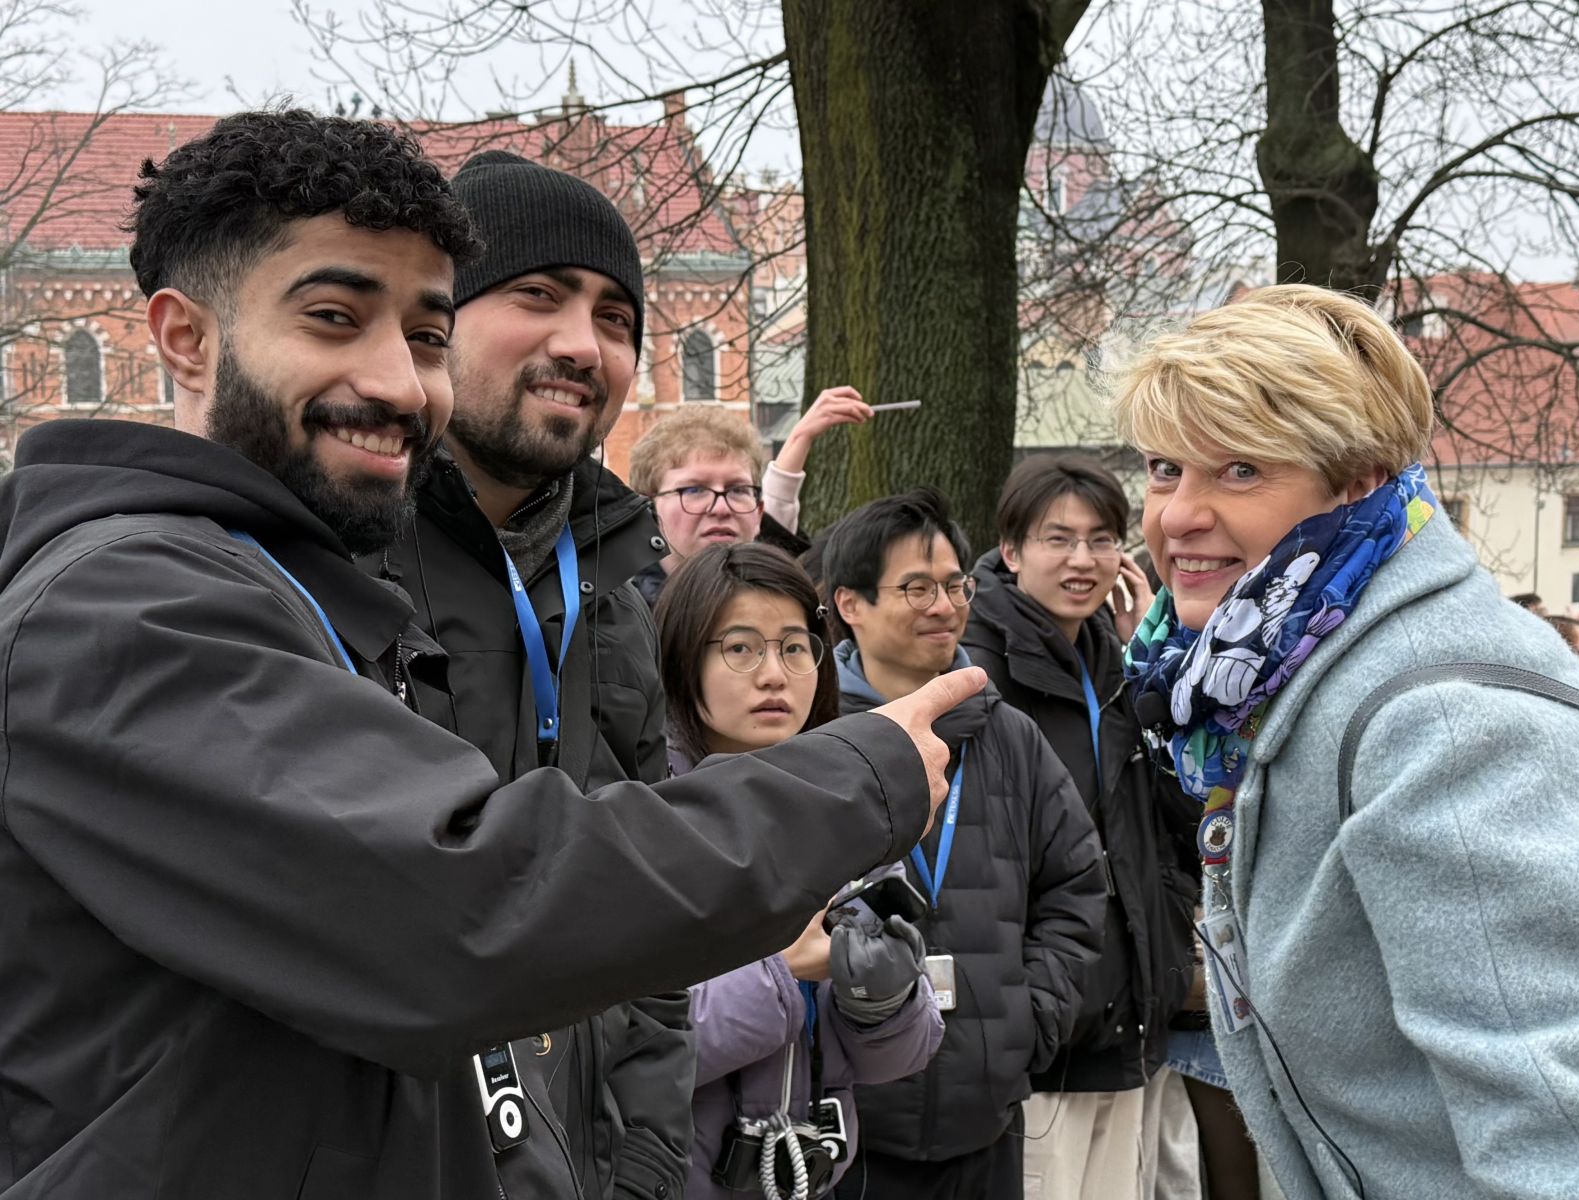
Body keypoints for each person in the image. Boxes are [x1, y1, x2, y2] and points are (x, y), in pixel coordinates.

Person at [0, 110, 979, 1199]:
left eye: (423, 337)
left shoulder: (317, 580)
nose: (397, 382)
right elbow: (466, 907)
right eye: (333, 317)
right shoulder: (125, 605)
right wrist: (856, 774)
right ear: (184, 337)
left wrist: (630, 1169)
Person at [1114, 283, 1579, 1199]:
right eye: (1164, 468)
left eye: (1240, 471)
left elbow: (1560, 1141)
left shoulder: (1445, 724)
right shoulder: (1274, 672)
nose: (1176, 515)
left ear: (1360, 480)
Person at [368, 150, 690, 1200]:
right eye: (538, 296)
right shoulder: (338, 563)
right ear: (435, 321)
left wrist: (641, 1157)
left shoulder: (608, 581)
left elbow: (654, 902)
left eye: (615, 317)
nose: (580, 345)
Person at [822, 488, 1108, 1200]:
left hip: (986, 1109)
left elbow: (1077, 883)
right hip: (847, 1118)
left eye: (956, 586)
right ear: (849, 604)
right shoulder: (811, 738)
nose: (944, 606)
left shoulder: (1005, 734)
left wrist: (1028, 1018)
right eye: (916, 588)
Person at [655, 542, 945, 1198]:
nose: (773, 675)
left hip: (807, 1172)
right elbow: (616, 1046)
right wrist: (780, 971)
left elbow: (900, 1057)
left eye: (793, 647)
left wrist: (883, 999)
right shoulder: (639, 812)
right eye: (740, 648)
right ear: (680, 658)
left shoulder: (848, 804)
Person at [962, 454, 1200, 1199]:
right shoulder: (978, 668)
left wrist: (1146, 667)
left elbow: (1167, 823)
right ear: (1011, 551)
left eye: (1101, 540)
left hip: (1126, 1017)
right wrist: (1026, 1010)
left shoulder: (1108, 659)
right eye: (1056, 539)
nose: (1082, 560)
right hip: (1044, 1036)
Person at [627, 386, 873, 603]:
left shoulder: (786, 611)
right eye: (694, 490)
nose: (721, 509)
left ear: (758, 513)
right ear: (650, 510)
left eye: (738, 490)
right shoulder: (616, 622)